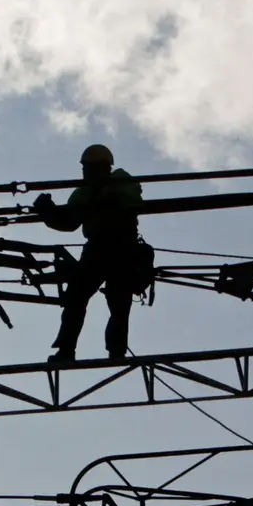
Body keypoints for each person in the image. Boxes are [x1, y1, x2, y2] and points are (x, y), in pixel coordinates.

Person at [32, 144, 150, 363]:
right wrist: (48, 211)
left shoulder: (120, 183)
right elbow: (69, 222)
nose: (85, 172)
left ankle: (109, 350)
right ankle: (72, 350)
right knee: (83, 299)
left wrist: (100, 203)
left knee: (113, 302)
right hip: (108, 249)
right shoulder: (86, 191)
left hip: (117, 248)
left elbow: (131, 206)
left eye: (87, 167)